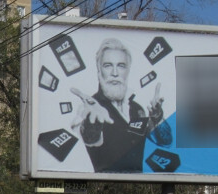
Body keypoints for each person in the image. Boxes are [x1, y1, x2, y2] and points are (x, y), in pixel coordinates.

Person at [70, 37, 172, 172]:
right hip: (102, 188)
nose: (115, 73)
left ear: (128, 70)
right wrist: (92, 122)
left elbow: (165, 141)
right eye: (108, 65)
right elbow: (90, 138)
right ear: (99, 70)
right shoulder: (90, 108)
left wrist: (157, 117)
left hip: (139, 187)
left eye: (121, 66)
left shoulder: (137, 109)